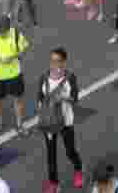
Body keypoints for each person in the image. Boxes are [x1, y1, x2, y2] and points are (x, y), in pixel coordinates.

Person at [38, 47, 84, 193]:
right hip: (50, 122)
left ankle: (78, 169)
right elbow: (40, 97)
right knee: (51, 154)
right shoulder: (44, 77)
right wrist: (43, 111)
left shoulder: (70, 78)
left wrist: (63, 97)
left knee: (70, 151)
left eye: (58, 61)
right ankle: (53, 183)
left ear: (64, 62)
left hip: (65, 121)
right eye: (52, 60)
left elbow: (75, 98)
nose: (54, 64)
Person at [0, 13, 30, 133]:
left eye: (5, 31)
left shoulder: (16, 35)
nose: (3, 33)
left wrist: (13, 57)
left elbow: (24, 49)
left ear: (9, 27)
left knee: (18, 100)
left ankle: (19, 123)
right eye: (1, 31)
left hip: (15, 74)